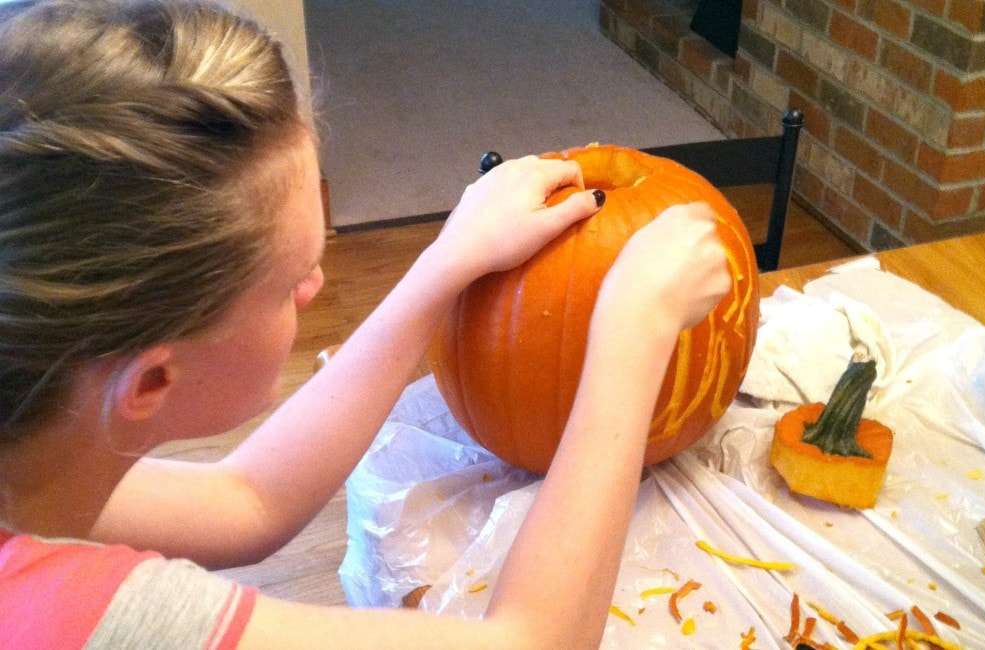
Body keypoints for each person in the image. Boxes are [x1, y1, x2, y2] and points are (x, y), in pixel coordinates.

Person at [0, 1, 731, 648]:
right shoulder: (71, 617)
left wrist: (448, 262)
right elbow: (533, 642)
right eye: (292, 284)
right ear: (153, 379)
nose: (318, 287)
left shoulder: (39, 452)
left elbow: (246, 503)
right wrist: (635, 334)